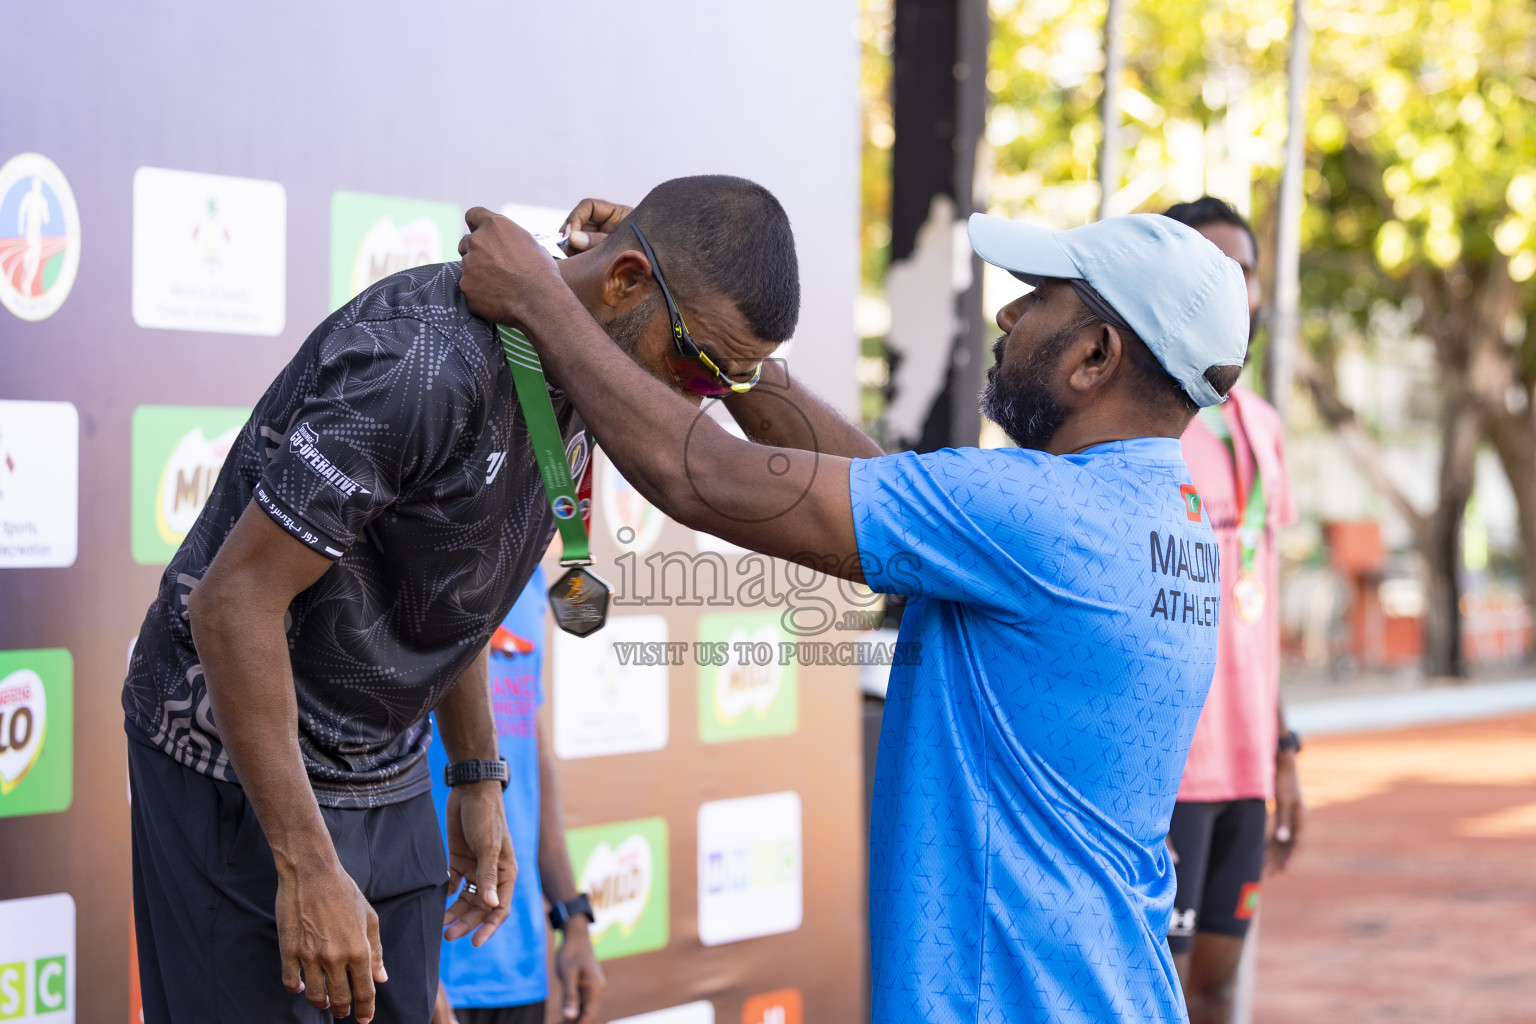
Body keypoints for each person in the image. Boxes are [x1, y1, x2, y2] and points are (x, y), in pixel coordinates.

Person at [457, 204, 1250, 1023]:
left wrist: (536, 299)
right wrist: (707, 320)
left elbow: (703, 477)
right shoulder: (1164, 512)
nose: (1008, 314)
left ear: (1094, 355)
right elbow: (886, 495)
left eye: (1039, 296)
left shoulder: (1042, 513)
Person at [122, 174, 798, 1024]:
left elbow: (449, 585)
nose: (695, 398)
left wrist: (476, 774)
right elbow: (231, 604)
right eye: (698, 365)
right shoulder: (421, 360)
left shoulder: (589, 370)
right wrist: (304, 864)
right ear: (624, 282)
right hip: (237, 760)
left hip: (386, 759)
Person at [1162, 196, 1304, 1024]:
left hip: (1247, 763)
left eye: (1244, 271)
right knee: (1158, 996)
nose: (1234, 287)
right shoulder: (1145, 423)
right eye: (1212, 269)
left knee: (1217, 989)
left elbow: (1264, 601)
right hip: (1170, 763)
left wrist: (1283, 748)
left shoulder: (1264, 425)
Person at [428, 566, 605, 1024]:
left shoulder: (528, 575)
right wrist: (403, 959)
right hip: (422, 959)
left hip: (517, 955)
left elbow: (530, 753)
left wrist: (573, 916)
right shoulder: (409, 555)